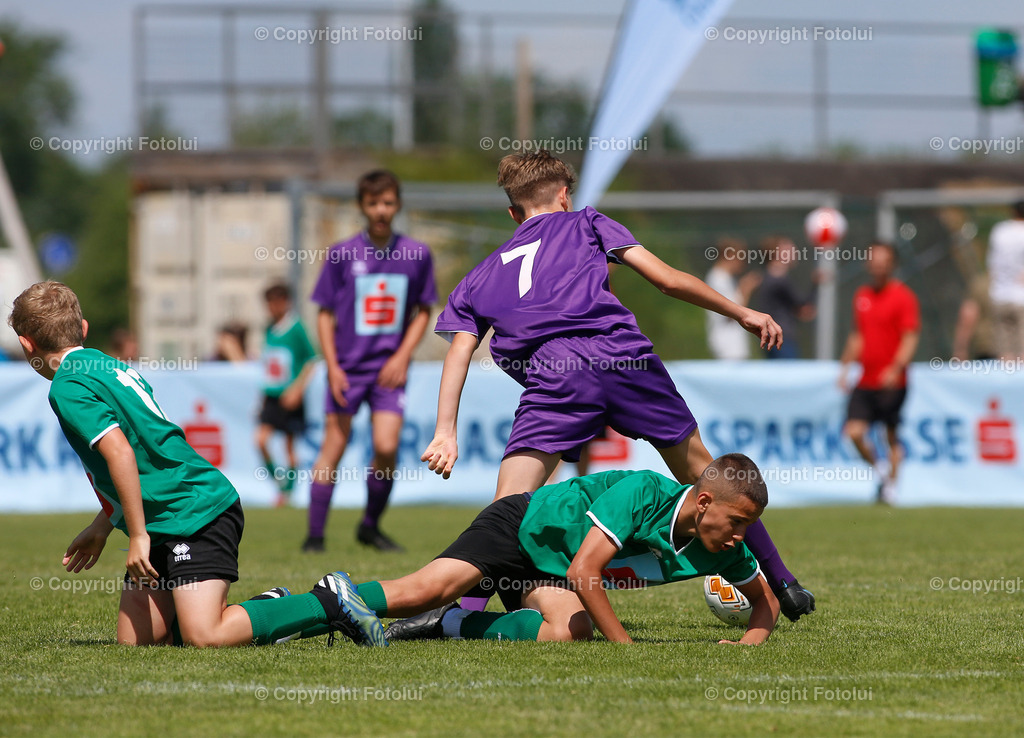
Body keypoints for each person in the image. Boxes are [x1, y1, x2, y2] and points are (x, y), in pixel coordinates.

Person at [421, 150, 814, 622]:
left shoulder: (480, 274)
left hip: (557, 375)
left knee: (505, 510)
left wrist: (446, 430)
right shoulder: (588, 222)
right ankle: (784, 583)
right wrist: (742, 312)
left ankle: (457, 612)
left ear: (512, 213)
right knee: (706, 475)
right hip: (623, 360)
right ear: (564, 196)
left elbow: (459, 349)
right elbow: (667, 281)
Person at [7, 281, 386, 649]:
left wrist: (137, 536)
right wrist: (102, 526)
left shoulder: (67, 385)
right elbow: (146, 454)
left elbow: (121, 454)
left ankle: (328, 600)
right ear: (83, 328)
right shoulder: (106, 365)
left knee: (205, 636)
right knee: (135, 643)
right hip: (162, 516)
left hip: (194, 511)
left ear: (27, 344)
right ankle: (264, 608)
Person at [349, 454, 779, 645]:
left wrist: (748, 644)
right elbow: (585, 572)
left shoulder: (724, 547)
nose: (741, 536)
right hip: (522, 525)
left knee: (570, 632)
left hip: (551, 564)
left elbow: (766, 602)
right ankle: (306, 605)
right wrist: (625, 647)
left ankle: (450, 623)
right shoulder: (647, 493)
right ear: (703, 504)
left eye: (748, 526)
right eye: (738, 522)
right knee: (421, 592)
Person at [304, 169, 437, 553]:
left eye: (388, 202)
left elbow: (424, 311)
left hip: (388, 373)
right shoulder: (342, 254)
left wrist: (402, 355)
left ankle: (369, 525)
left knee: (386, 445)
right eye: (373, 202)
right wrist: (332, 366)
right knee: (334, 444)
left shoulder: (417, 254)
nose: (381, 210)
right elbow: (325, 313)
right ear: (362, 206)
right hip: (346, 369)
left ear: (398, 204)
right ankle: (315, 536)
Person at [838, 242, 920, 505]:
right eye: (873, 258)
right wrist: (846, 366)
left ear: (892, 263)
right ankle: (881, 469)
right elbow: (857, 335)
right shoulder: (862, 295)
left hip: (893, 382)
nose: (877, 264)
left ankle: (891, 488)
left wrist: (895, 368)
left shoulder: (903, 296)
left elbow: (910, 337)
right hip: (866, 379)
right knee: (853, 431)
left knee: (891, 435)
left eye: (883, 260)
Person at [256, 282, 317, 507]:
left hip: (291, 397)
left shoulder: (296, 327)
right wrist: (261, 399)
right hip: (272, 397)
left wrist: (297, 389)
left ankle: (287, 494)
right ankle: (280, 486)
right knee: (260, 440)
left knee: (289, 447)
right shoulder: (269, 328)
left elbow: (311, 360)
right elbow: (268, 366)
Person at [754, 236, 817, 360]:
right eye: (789, 249)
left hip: (773, 335)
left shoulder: (769, 277)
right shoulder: (778, 278)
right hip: (781, 337)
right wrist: (815, 285)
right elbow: (802, 305)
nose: (795, 252)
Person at [705, 239, 761, 360]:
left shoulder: (726, 278)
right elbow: (730, 312)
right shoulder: (718, 279)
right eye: (741, 258)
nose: (743, 263)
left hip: (732, 344)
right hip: (727, 344)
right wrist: (745, 289)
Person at [986, 200, 1024, 359]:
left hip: (1000, 294)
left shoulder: (1000, 230)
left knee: (1005, 353)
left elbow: (992, 265)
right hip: (1021, 296)